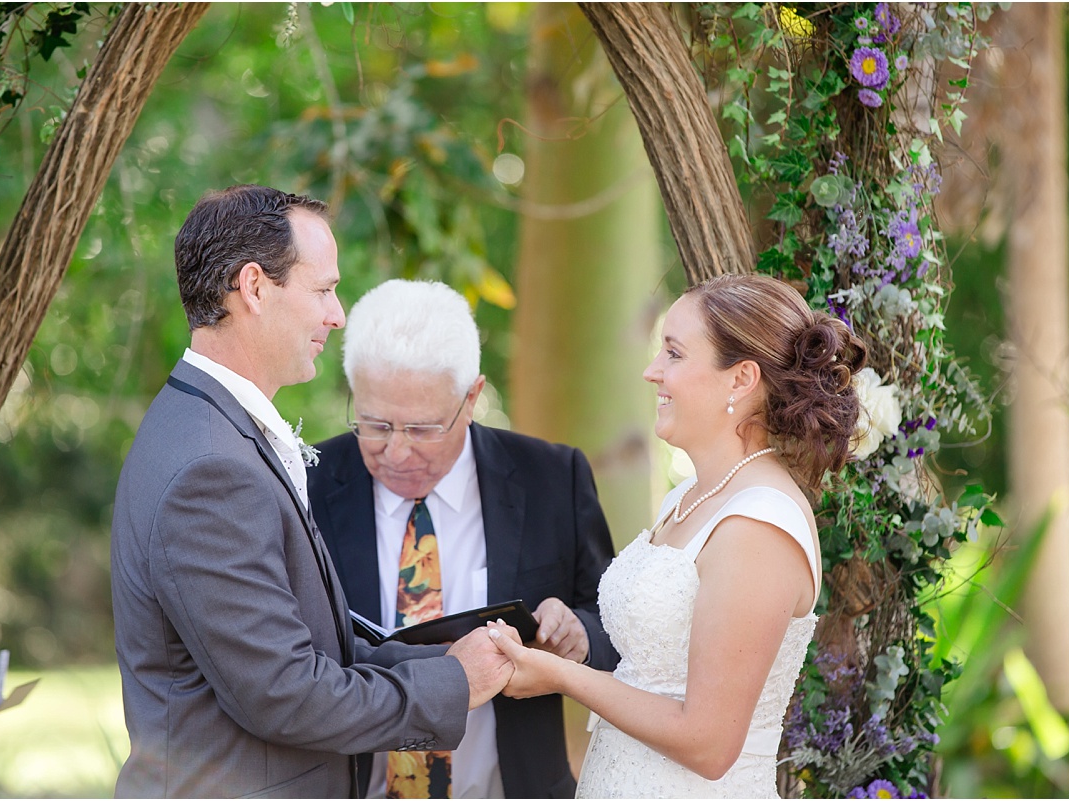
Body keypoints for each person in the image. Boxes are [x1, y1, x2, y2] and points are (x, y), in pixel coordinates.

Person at [111, 186, 512, 798]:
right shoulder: (210, 469)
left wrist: (441, 660)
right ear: (254, 287)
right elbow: (284, 692)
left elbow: (315, 646)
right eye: (323, 290)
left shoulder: (209, 427)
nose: (338, 314)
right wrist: (455, 684)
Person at [486, 273, 869, 798]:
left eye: (674, 354)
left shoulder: (759, 524)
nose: (652, 372)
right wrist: (573, 642)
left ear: (741, 379)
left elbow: (708, 744)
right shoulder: (686, 497)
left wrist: (561, 677)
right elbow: (652, 669)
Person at [307, 279, 620, 799]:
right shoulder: (306, 483)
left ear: (471, 397)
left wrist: (580, 635)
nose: (398, 452)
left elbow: (617, 621)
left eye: (424, 429)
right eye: (376, 425)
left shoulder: (551, 478)